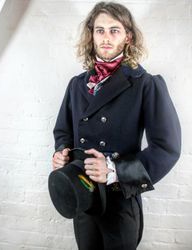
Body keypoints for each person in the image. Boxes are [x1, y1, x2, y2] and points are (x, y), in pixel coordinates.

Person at [52, 2, 181, 250]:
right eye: (100, 30)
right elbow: (63, 131)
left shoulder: (146, 84)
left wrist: (115, 171)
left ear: (128, 36)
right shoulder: (77, 85)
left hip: (120, 202)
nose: (106, 38)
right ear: (91, 35)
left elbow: (167, 148)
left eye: (114, 30)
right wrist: (61, 151)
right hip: (82, 195)